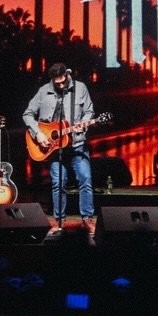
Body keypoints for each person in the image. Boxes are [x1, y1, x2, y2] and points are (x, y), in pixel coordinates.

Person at [22, 63, 96, 235]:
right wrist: (38, 134)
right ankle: (59, 222)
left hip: (77, 144)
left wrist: (82, 125)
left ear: (67, 75)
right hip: (55, 149)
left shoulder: (80, 88)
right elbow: (27, 114)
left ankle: (87, 220)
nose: (61, 86)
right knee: (58, 184)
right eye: (57, 84)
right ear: (52, 80)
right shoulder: (43, 91)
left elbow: (89, 112)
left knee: (85, 179)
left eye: (64, 82)